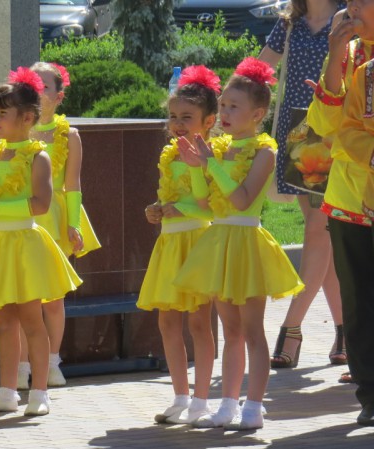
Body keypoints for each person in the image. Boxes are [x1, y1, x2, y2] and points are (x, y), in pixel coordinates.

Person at [174, 58, 304, 430]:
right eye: (223, 105)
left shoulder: (265, 151)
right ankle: (228, 405)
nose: (225, 113)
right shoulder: (219, 148)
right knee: (230, 329)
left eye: (234, 106)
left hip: (246, 241)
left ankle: (254, 406)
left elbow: (244, 199)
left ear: (257, 114)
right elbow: (204, 203)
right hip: (219, 241)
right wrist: (197, 167)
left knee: (252, 331)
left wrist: (211, 165)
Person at [0, 68, 82, 416]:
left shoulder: (38, 156)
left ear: (27, 118)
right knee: (4, 321)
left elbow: (40, 204)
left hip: (24, 244)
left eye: (3, 113)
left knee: (31, 319)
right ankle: (7, 391)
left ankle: (39, 392)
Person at [258, 0, 346, 370]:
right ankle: (345, 331)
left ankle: (291, 327)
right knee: (322, 241)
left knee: (317, 231)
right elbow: (258, 72)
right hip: (297, 132)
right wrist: (220, 103)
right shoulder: (289, 23)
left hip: (331, 134)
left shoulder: (348, 18)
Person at [138, 66, 220, 425]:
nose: (178, 123)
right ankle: (180, 396)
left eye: (187, 117)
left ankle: (201, 400)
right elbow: (170, 196)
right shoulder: (169, 154)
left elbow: (214, 205)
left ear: (209, 121)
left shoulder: (212, 153)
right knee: (167, 322)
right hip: (170, 243)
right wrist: (156, 209)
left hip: (197, 242)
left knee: (200, 323)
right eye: (173, 116)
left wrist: (182, 209)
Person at [15, 62, 102, 389]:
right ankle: (21, 366)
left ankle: (52, 362)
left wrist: (74, 224)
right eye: (31, 86)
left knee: (52, 297)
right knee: (22, 296)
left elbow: (73, 184)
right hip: (22, 216)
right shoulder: (18, 129)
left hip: (54, 218)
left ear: (59, 96)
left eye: (44, 87)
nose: (37, 92)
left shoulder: (69, 135)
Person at [322, 0, 374, 425]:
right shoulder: (350, 55)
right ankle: (371, 395)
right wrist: (335, 55)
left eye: (363, 0)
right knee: (359, 301)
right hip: (350, 198)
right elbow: (326, 128)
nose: (353, 6)